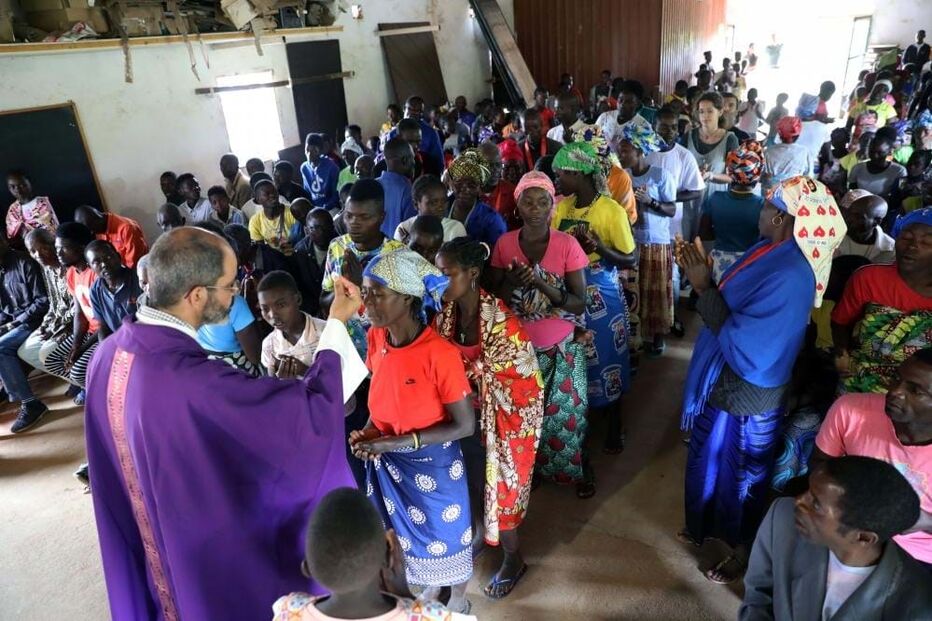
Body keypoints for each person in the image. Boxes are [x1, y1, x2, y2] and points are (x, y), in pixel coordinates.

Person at [84, 227, 366, 620]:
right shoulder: (190, 382)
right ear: (197, 295)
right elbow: (305, 420)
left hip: (156, 534)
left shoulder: (107, 356)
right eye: (231, 285)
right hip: (196, 557)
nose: (238, 294)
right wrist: (336, 324)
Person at [676, 176, 846, 584]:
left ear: (781, 218)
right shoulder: (771, 251)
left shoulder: (789, 272)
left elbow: (749, 347)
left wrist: (702, 288)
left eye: (767, 205)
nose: (760, 211)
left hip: (748, 392)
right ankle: (705, 527)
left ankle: (740, 549)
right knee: (707, 458)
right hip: (727, 383)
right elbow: (738, 307)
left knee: (740, 474)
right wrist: (710, 283)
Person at [349, 249, 474, 613]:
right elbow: (385, 396)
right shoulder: (377, 338)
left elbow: (464, 425)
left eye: (376, 292)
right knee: (402, 540)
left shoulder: (439, 354)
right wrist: (370, 432)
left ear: (407, 298)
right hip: (390, 461)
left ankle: (460, 601)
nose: (366, 300)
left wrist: (395, 442)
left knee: (448, 536)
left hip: (432, 465)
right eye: (365, 290)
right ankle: (430, 593)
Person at [433, 238, 544, 599]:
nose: (439, 282)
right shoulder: (446, 315)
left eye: (446, 274)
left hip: (502, 421)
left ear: (473, 273)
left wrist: (468, 380)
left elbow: (523, 382)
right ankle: (480, 536)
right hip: (464, 417)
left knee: (500, 493)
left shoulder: (501, 322)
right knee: (468, 485)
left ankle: (514, 556)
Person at [488, 171, 591, 489]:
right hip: (517, 351)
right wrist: (510, 281)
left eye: (542, 202)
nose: (535, 208)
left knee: (565, 419)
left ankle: (574, 471)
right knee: (521, 419)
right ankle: (529, 475)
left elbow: (578, 304)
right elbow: (494, 300)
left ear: (552, 207)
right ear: (517, 205)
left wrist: (543, 285)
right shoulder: (505, 244)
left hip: (560, 348)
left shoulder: (567, 245)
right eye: (527, 202)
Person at [741, 455, 931, 619]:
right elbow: (758, 595)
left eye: (816, 505)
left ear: (864, 537)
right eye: (808, 490)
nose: (799, 501)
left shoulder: (917, 605)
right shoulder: (783, 517)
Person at [552, 141, 638, 467]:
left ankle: (615, 424)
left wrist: (599, 247)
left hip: (602, 296)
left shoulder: (610, 210)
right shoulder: (562, 209)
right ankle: (585, 416)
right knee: (579, 361)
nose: (557, 179)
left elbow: (631, 257)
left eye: (562, 173)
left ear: (579, 173)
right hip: (570, 294)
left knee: (608, 360)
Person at [272, 488, 476, 621]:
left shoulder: (288, 610)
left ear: (307, 568)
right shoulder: (430, 615)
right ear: (389, 557)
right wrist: (407, 599)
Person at [811, 351, 932, 569]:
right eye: (896, 378)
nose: (895, 391)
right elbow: (820, 466)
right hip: (849, 533)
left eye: (915, 390)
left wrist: (925, 521)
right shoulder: (850, 410)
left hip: (918, 557)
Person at [831, 208, 932, 394]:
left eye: (927, 241)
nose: (912, 246)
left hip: (918, 394)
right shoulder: (869, 278)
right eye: (906, 237)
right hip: (861, 377)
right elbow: (840, 321)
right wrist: (841, 353)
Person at [319, 180, 406, 356]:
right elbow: (324, 301)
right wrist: (345, 287)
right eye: (349, 215)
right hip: (347, 352)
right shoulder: (337, 247)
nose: (354, 223)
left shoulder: (398, 255)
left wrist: (360, 286)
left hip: (385, 352)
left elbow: (402, 314)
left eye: (364, 217)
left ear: (382, 217)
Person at [618, 124, 677, 356]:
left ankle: (658, 336)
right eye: (620, 151)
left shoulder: (661, 175)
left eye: (626, 151)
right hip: (631, 241)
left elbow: (671, 209)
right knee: (636, 289)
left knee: (657, 289)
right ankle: (637, 335)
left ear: (640, 152)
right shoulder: (623, 176)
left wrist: (651, 201)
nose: (621, 155)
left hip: (656, 241)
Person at [44, 223, 101, 404]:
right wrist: (76, 344)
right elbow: (79, 313)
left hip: (104, 333)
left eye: (64, 248)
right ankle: (89, 387)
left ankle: (104, 395)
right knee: (52, 360)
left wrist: (80, 349)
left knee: (77, 371)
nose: (58, 253)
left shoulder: (96, 274)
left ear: (81, 248)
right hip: (89, 332)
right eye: (57, 248)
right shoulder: (71, 273)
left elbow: (106, 322)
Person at [0, 230, 50, 433]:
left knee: (1, 348)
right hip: (13, 325)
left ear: (3, 241)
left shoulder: (24, 262)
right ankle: (8, 389)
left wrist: (12, 325)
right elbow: (3, 311)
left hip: (34, 321)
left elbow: (42, 301)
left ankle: (31, 404)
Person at [700, 141, 766, 282]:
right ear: (757, 176)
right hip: (749, 264)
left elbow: (704, 233)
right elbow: (765, 238)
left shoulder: (714, 199)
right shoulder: (762, 205)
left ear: (730, 172)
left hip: (718, 265)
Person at [18, 229, 74, 379]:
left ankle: (83, 380)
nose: (38, 255)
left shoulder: (69, 265)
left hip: (73, 325)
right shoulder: (47, 269)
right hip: (57, 323)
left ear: (53, 244)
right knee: (25, 350)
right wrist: (45, 325)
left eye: (43, 248)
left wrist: (56, 328)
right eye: (32, 251)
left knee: (46, 353)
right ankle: (74, 378)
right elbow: (54, 303)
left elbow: (77, 308)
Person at [648, 107, 706, 246]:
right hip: (646, 225)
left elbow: (696, 191)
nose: (670, 132)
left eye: (674, 127)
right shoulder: (644, 152)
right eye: (664, 127)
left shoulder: (684, 156)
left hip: (671, 228)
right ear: (653, 127)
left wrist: (666, 196)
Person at [686, 93, 740, 202]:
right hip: (689, 197)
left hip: (715, 199)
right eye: (701, 111)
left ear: (720, 112)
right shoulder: (689, 136)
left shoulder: (730, 139)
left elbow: (733, 176)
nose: (705, 116)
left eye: (710, 111)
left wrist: (711, 175)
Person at [447, 150, 507, 249]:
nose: (465, 188)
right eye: (459, 181)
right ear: (450, 182)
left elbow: (498, 254)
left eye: (471, 183)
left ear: (480, 186)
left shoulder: (493, 220)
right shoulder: (440, 207)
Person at [86, 240, 142, 341]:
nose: (104, 264)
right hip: (120, 342)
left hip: (144, 337)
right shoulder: (95, 291)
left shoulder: (138, 280)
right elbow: (104, 327)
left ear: (118, 256)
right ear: (90, 267)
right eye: (96, 262)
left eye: (108, 257)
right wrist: (105, 349)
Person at [394, 174, 466, 243]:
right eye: (433, 203)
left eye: (444, 201)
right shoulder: (404, 229)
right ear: (416, 204)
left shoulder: (455, 229)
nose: (441, 207)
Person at [74, 204, 148, 269]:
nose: (92, 233)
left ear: (98, 220)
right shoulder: (98, 227)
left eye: (91, 229)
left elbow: (134, 264)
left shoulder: (127, 228)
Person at [292, 208, 335, 316]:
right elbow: (298, 287)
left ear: (332, 226)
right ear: (306, 230)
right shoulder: (300, 251)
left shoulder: (343, 248)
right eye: (314, 228)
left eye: (325, 227)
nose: (320, 232)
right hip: (312, 312)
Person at [835, 190, 895, 264]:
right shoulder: (831, 238)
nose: (847, 219)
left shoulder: (890, 250)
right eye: (845, 213)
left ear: (877, 221)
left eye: (856, 216)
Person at [595, 79, 653, 150]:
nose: (622, 104)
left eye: (628, 102)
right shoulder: (604, 117)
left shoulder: (643, 126)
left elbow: (642, 156)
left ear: (637, 103)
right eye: (620, 100)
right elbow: (592, 141)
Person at [848, 132, 907, 199]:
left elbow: (899, 196)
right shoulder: (857, 168)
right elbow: (852, 193)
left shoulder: (899, 171)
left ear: (889, 152)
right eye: (872, 151)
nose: (875, 156)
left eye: (880, 153)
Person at [5, 171, 59, 246]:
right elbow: (11, 235)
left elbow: (53, 228)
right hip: (25, 249)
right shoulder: (13, 210)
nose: (17, 189)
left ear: (29, 183)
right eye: (12, 187)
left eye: (22, 185)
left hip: (49, 245)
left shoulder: (43, 203)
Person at [377, 137, 416, 238]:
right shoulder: (407, 189)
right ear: (405, 160)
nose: (414, 162)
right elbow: (410, 230)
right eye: (413, 158)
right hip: (398, 251)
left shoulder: (372, 185)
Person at [762, 117, 814, 192]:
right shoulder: (804, 152)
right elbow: (809, 176)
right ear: (798, 135)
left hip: (771, 195)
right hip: (794, 195)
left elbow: (762, 177)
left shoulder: (768, 152)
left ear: (779, 134)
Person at [479, 140, 519, 231]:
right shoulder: (468, 193)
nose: (494, 170)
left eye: (498, 165)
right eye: (488, 166)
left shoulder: (513, 193)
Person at [248, 179, 297, 254]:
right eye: (267, 194)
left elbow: (300, 241)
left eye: (274, 192)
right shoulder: (255, 221)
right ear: (258, 200)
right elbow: (260, 250)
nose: (273, 195)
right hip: (275, 260)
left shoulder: (292, 212)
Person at [301, 133, 341, 212]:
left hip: (330, 207)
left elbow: (335, 194)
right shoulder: (304, 168)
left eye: (314, 151)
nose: (309, 155)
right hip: (313, 208)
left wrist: (325, 207)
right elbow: (307, 193)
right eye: (307, 150)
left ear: (321, 151)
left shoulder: (332, 167)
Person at [818, 127, 853, 198]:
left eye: (840, 137)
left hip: (838, 193)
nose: (836, 140)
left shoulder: (849, 158)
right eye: (834, 137)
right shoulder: (827, 154)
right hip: (822, 189)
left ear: (847, 140)